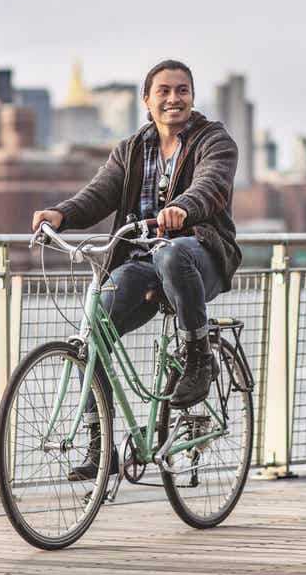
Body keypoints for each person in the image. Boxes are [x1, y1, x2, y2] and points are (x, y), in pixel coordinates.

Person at [33, 59, 241, 479]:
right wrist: (60, 214)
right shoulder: (131, 149)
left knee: (171, 253)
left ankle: (198, 356)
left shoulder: (214, 141)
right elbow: (98, 195)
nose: (173, 99)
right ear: (146, 101)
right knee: (94, 329)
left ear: (193, 98)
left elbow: (211, 184)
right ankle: (100, 447)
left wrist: (183, 208)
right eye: (163, 91)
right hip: (141, 262)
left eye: (182, 90)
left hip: (201, 256)